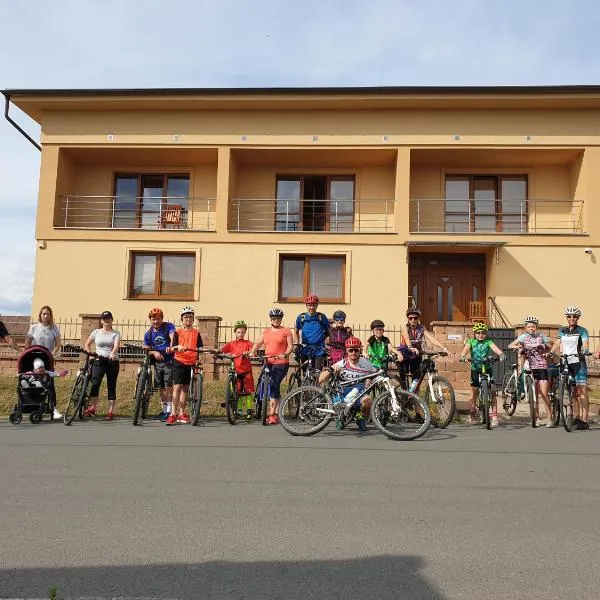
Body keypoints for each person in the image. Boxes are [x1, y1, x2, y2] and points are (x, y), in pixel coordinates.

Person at [318, 336, 376, 432]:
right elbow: (321, 379)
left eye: (356, 350)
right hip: (343, 393)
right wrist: (331, 370)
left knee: (368, 401)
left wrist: (369, 378)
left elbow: (374, 374)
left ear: (360, 350)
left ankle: (359, 416)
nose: (353, 353)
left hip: (358, 394)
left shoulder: (366, 363)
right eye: (351, 350)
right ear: (347, 351)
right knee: (336, 399)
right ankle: (339, 417)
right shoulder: (341, 363)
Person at [508, 316, 553, 427]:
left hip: (541, 366)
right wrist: (520, 348)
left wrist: (543, 345)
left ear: (536, 327)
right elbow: (510, 345)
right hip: (530, 367)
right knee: (534, 394)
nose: (531, 328)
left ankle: (550, 418)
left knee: (544, 393)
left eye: (533, 326)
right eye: (529, 326)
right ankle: (536, 417)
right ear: (525, 327)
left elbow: (550, 346)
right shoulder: (523, 337)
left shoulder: (541, 336)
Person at [550, 305, 591, 430]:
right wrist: (551, 351)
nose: (572, 318)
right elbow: (558, 342)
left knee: (581, 391)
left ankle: (584, 420)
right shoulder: (562, 330)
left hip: (579, 362)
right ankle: (576, 416)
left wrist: (586, 350)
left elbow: (585, 342)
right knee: (572, 392)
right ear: (567, 318)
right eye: (569, 316)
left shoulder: (582, 330)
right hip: (567, 362)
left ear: (578, 317)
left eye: (574, 316)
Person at [251, 308, 293, 425]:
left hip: (280, 363)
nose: (276, 321)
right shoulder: (266, 332)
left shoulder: (286, 331)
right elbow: (258, 344)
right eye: (274, 318)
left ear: (281, 319)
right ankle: (262, 406)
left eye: (278, 319)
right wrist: (252, 352)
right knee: (263, 382)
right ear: (271, 319)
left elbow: (290, 346)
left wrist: (285, 354)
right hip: (268, 361)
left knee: (274, 384)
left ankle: (273, 414)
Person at [460, 322, 505, 427]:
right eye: (478, 333)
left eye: (483, 333)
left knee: (492, 391)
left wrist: (501, 354)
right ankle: (472, 415)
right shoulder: (471, 341)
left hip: (487, 368)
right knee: (474, 392)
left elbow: (495, 348)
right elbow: (465, 350)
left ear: (486, 334)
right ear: (475, 334)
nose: (480, 335)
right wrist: (463, 356)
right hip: (475, 369)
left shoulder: (488, 341)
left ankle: (494, 415)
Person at [166, 306, 204, 426]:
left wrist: (201, 353)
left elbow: (199, 347)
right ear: (182, 319)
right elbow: (171, 348)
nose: (188, 319)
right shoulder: (178, 332)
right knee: (177, 387)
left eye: (190, 317)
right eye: (186, 317)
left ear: (193, 319)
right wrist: (178, 347)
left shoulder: (196, 333)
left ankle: (182, 413)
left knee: (185, 389)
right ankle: (172, 414)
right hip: (179, 361)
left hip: (191, 362)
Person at [24, 305, 63, 419]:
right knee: (35, 381)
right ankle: (33, 405)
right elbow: (27, 342)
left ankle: (54, 409)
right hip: (35, 357)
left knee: (50, 383)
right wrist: (28, 353)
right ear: (40, 315)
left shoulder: (54, 328)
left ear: (51, 316)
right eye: (43, 314)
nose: (46, 316)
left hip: (48, 357)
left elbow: (58, 344)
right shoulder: (34, 327)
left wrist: (52, 354)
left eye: (48, 314)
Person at [83, 310, 121, 420]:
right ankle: (93, 408)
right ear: (101, 321)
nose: (107, 321)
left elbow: (116, 346)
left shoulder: (116, 333)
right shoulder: (96, 332)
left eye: (109, 318)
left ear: (112, 320)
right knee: (95, 383)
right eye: (104, 319)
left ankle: (110, 411)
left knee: (111, 385)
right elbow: (87, 344)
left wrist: (113, 353)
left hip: (112, 361)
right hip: (98, 360)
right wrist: (90, 355)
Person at [397, 308, 447, 387]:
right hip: (405, 354)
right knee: (403, 378)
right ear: (408, 319)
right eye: (410, 318)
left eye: (415, 318)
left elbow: (431, 339)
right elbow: (407, 339)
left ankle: (414, 396)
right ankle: (403, 394)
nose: (413, 320)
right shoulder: (405, 328)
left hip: (416, 354)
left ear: (418, 319)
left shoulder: (421, 328)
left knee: (416, 376)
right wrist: (411, 347)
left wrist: (444, 348)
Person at [142, 307, 176, 421]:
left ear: (162, 319)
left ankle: (170, 411)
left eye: (158, 319)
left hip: (169, 361)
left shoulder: (168, 327)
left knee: (168, 386)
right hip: (157, 363)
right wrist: (154, 352)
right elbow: (147, 348)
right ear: (150, 320)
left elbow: (173, 337)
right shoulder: (149, 334)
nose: (155, 321)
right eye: (153, 319)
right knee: (161, 386)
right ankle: (164, 410)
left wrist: (171, 347)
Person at [218, 320, 254, 421]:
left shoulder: (248, 343)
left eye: (242, 332)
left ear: (245, 333)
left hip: (246, 370)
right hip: (235, 371)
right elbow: (222, 349)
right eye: (238, 332)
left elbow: (252, 352)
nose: (240, 334)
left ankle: (249, 410)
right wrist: (217, 351)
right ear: (235, 332)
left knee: (248, 391)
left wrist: (250, 353)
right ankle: (238, 410)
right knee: (237, 391)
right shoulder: (231, 344)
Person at [294, 295, 330, 370]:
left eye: (314, 305)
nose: (312, 308)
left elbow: (328, 330)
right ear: (306, 305)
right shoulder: (301, 317)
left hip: (318, 349)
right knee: (305, 373)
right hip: (305, 348)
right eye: (309, 305)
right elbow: (296, 331)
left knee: (317, 372)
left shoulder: (321, 317)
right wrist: (296, 344)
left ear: (317, 305)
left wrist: (322, 338)